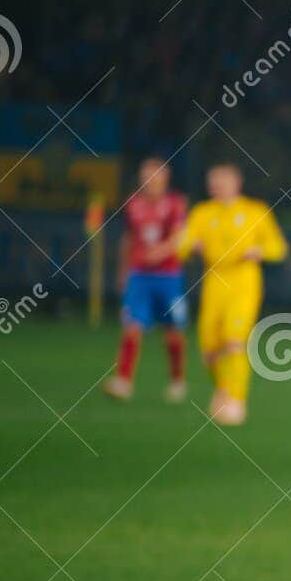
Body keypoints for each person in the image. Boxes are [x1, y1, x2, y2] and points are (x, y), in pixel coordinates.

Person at [174, 163, 288, 425]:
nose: (216, 187)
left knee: (234, 341)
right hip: (214, 282)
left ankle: (237, 401)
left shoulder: (254, 211)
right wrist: (190, 245)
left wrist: (260, 251)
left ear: (236, 183)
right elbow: (182, 245)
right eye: (212, 182)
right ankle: (224, 389)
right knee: (209, 349)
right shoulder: (203, 213)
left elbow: (278, 247)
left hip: (243, 282)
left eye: (221, 182)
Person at [102, 157, 188, 403]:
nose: (149, 181)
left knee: (173, 332)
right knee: (132, 326)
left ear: (165, 178)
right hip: (139, 276)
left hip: (168, 277)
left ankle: (177, 380)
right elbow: (128, 238)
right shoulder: (132, 204)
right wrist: (123, 270)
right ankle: (124, 381)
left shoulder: (175, 204)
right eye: (146, 176)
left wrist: (160, 252)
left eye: (155, 176)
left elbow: (179, 237)